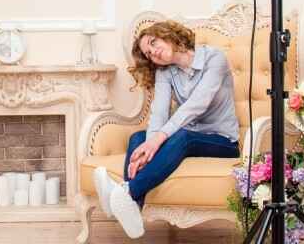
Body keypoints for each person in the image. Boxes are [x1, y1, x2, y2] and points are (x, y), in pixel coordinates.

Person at [93, 20, 240, 238]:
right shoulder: (165, 72)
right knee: (138, 138)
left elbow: (197, 104)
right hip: (185, 135)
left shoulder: (214, 58)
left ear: (167, 35)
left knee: (182, 137)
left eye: (153, 42)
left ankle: (125, 192)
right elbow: (159, 112)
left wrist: (158, 140)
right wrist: (148, 144)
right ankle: (133, 207)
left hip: (222, 140)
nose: (154, 52)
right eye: (149, 53)